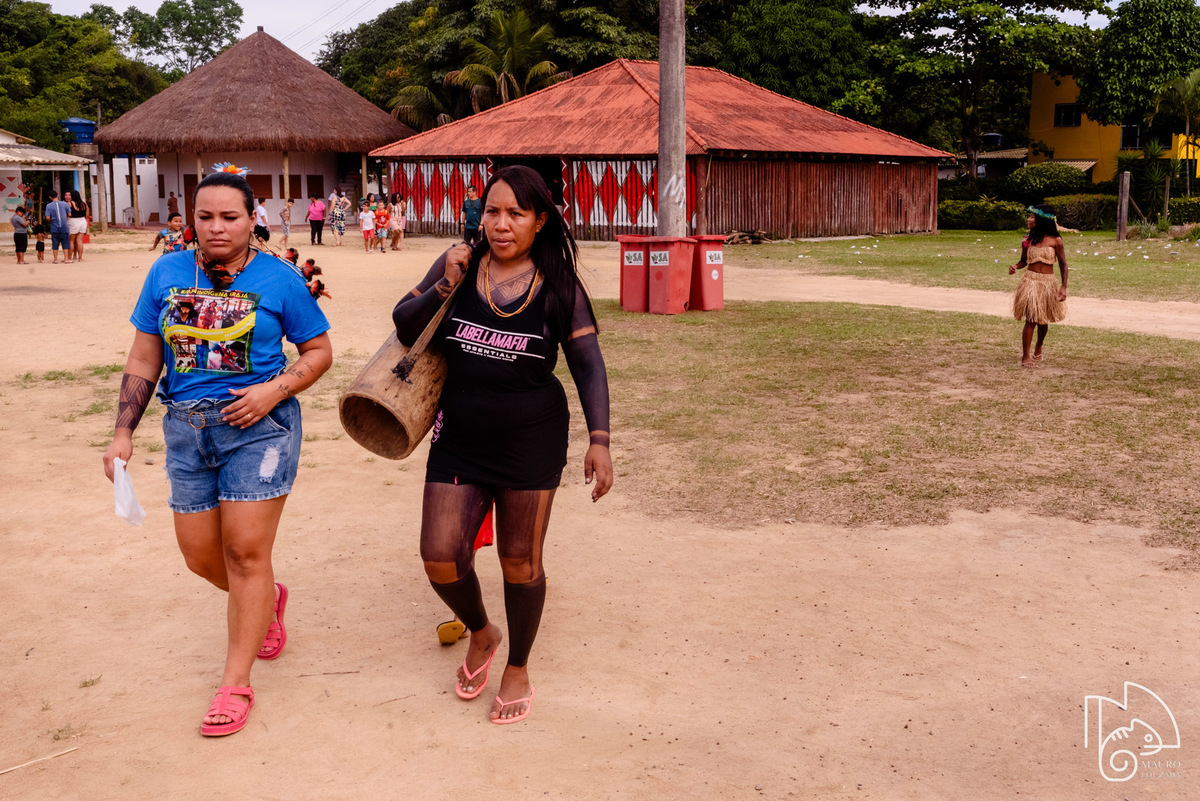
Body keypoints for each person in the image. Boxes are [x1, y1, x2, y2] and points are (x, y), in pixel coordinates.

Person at [101, 168, 333, 737]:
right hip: (185, 430)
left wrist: (271, 391)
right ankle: (266, 602)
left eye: (230, 216)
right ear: (192, 218)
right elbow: (143, 358)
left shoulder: (280, 280)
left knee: (245, 553)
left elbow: (320, 351)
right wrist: (122, 431)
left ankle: (234, 684)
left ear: (254, 219)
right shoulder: (165, 272)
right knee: (202, 557)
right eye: (206, 216)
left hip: (260, 427)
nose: (217, 227)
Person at [391, 165, 613, 724]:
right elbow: (404, 322)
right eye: (492, 211)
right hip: (460, 435)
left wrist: (601, 439)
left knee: (520, 560)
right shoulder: (459, 267)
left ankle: (517, 664)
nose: (501, 223)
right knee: (440, 556)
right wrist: (445, 281)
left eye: (516, 213)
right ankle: (483, 631)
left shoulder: (559, 283)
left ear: (540, 221)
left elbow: (587, 362)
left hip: (530, 439)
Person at [1009, 204, 1068, 368]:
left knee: (1043, 320)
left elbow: (1063, 265)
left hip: (1048, 283)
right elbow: (1023, 261)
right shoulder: (1028, 240)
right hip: (1030, 282)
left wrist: (1063, 287)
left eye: (1032, 217)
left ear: (1041, 219)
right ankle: (1025, 356)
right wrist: (1015, 266)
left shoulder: (1056, 241)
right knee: (1031, 319)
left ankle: (1039, 345)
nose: (1028, 219)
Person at [44, 190, 70, 263]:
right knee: (65, 243)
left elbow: (47, 217)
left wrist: (51, 221)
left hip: (54, 227)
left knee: (55, 244)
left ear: (50, 197)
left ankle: (55, 259)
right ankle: (66, 259)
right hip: (64, 227)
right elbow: (69, 214)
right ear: (58, 195)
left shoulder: (49, 206)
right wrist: (65, 218)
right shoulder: (64, 204)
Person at [67, 189, 89, 263]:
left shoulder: (70, 204)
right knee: (79, 241)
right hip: (82, 221)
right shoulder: (84, 204)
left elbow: (67, 214)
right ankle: (80, 258)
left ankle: (69, 257)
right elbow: (87, 214)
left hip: (73, 221)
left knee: (71, 240)